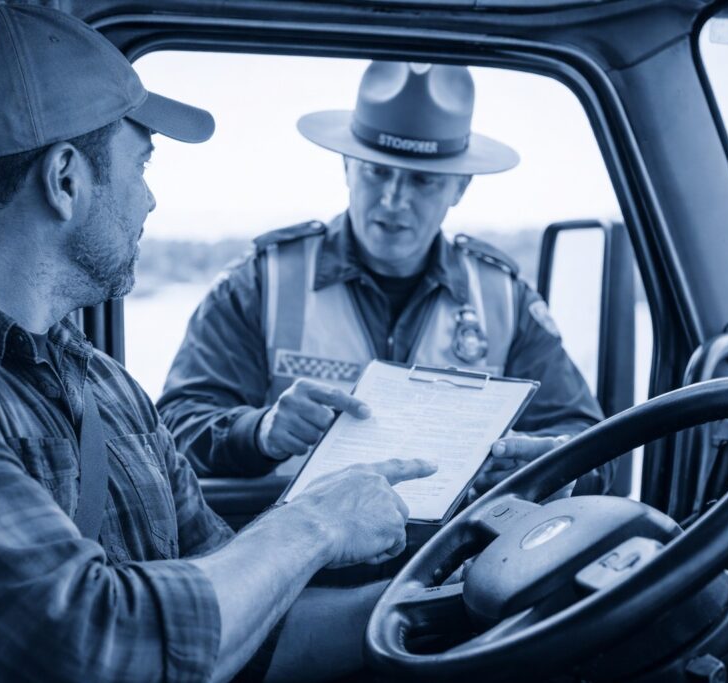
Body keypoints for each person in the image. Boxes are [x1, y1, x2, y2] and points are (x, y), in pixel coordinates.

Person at [0, 5, 436, 682]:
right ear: (66, 180)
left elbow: (248, 621)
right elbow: (87, 650)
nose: (151, 201)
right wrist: (312, 525)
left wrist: (438, 609)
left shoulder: (103, 384)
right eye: (141, 165)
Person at [158, 61, 612, 495]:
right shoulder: (260, 281)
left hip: (457, 564)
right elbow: (173, 429)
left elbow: (596, 446)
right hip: (297, 561)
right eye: (377, 172)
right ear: (347, 167)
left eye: (421, 181)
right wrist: (261, 432)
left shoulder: (506, 298)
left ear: (460, 187)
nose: (394, 200)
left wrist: (547, 464)